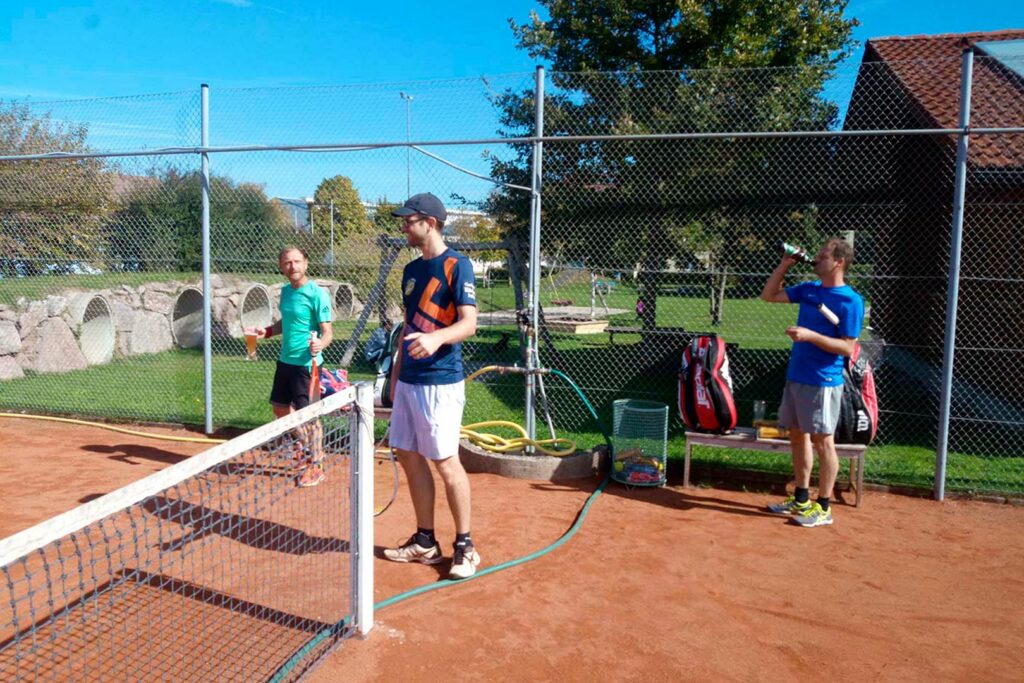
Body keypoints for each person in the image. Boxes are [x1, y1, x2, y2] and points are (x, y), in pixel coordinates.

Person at [382, 192, 480, 580]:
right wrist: (394, 375)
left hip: (441, 382)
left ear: (431, 223)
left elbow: (470, 323)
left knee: (445, 462)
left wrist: (438, 339)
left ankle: (466, 547)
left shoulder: (458, 265)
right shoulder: (410, 271)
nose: (404, 226)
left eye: (409, 220)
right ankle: (425, 541)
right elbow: (408, 327)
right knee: (407, 453)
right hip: (409, 381)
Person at [760, 237, 864, 527]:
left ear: (839, 262)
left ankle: (824, 507)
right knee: (797, 436)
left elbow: (847, 347)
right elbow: (768, 295)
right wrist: (784, 265)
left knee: (823, 442)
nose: (817, 259)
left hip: (823, 381)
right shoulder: (809, 290)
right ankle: (802, 499)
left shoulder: (850, 301)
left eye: (823, 255)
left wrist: (810, 336)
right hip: (798, 375)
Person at [247, 246, 333, 488]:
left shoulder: (317, 294)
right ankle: (306, 447)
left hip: (307, 365)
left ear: (306, 263)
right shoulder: (285, 292)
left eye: (297, 261)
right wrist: (269, 331)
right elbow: (287, 321)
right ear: (281, 266)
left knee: (310, 417)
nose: (292, 266)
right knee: (279, 409)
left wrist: (320, 344)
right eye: (287, 263)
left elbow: (328, 333)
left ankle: (316, 465)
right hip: (285, 361)